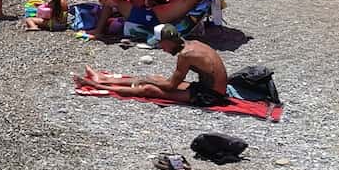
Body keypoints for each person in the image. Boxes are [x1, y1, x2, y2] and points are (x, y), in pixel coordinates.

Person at [77, 26, 228, 106]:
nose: (162, 48)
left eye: (161, 44)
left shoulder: (186, 55)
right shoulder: (193, 44)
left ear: (168, 41)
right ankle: (103, 79)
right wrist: (148, 79)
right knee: (155, 79)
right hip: (208, 88)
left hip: (211, 97)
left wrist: (146, 80)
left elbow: (170, 86)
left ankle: (98, 85)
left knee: (149, 88)